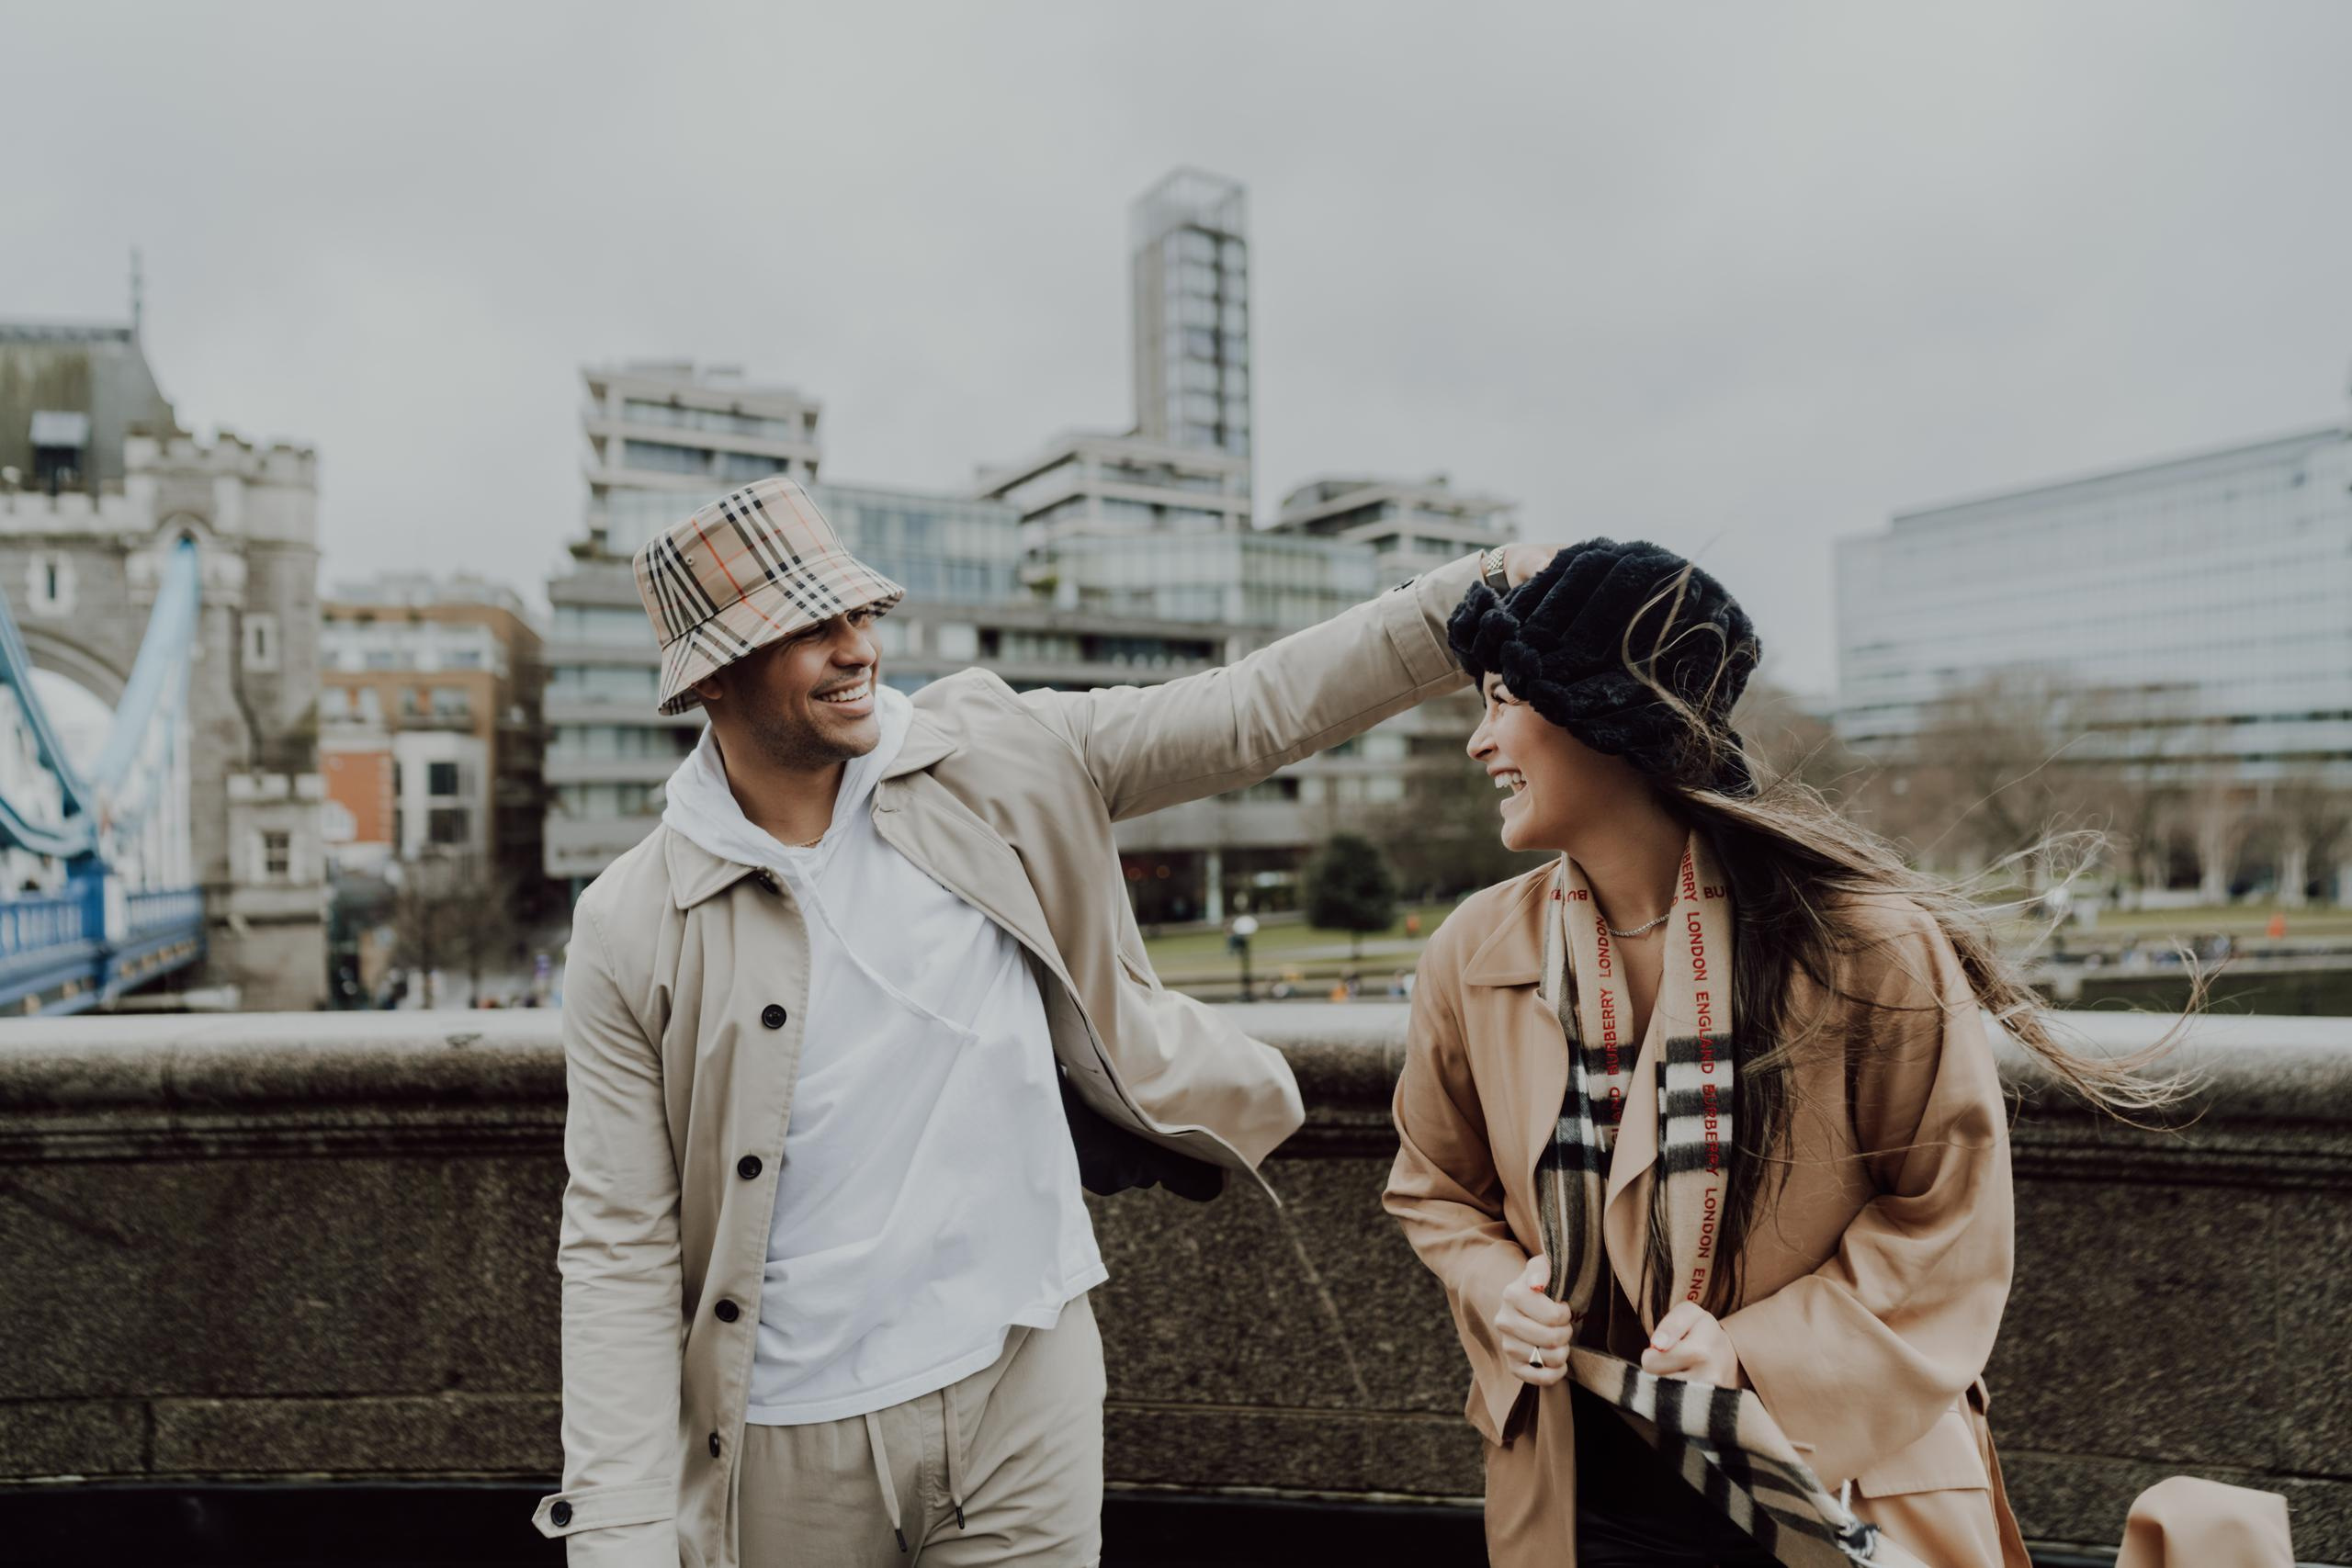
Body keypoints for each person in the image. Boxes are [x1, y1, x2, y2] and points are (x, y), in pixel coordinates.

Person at [534, 475, 1557, 1566]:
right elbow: (617, 1244)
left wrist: (1477, 590)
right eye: (808, 630)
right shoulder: (634, 922)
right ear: (716, 678)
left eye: (858, 616)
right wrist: (622, 1535)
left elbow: (1253, 709)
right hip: (789, 1441)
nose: (855, 650)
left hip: (1024, 1388)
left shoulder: (992, 753)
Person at [1384, 540, 2177, 1567]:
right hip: (1577, 1486)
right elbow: (1433, 1188)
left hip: (1824, 1483)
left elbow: (1947, 1215)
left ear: (1600, 716)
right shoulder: (1472, 950)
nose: (1480, 742)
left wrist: (1749, 1353)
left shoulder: (1866, 945)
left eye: (1500, 699)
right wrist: (1498, 1287)